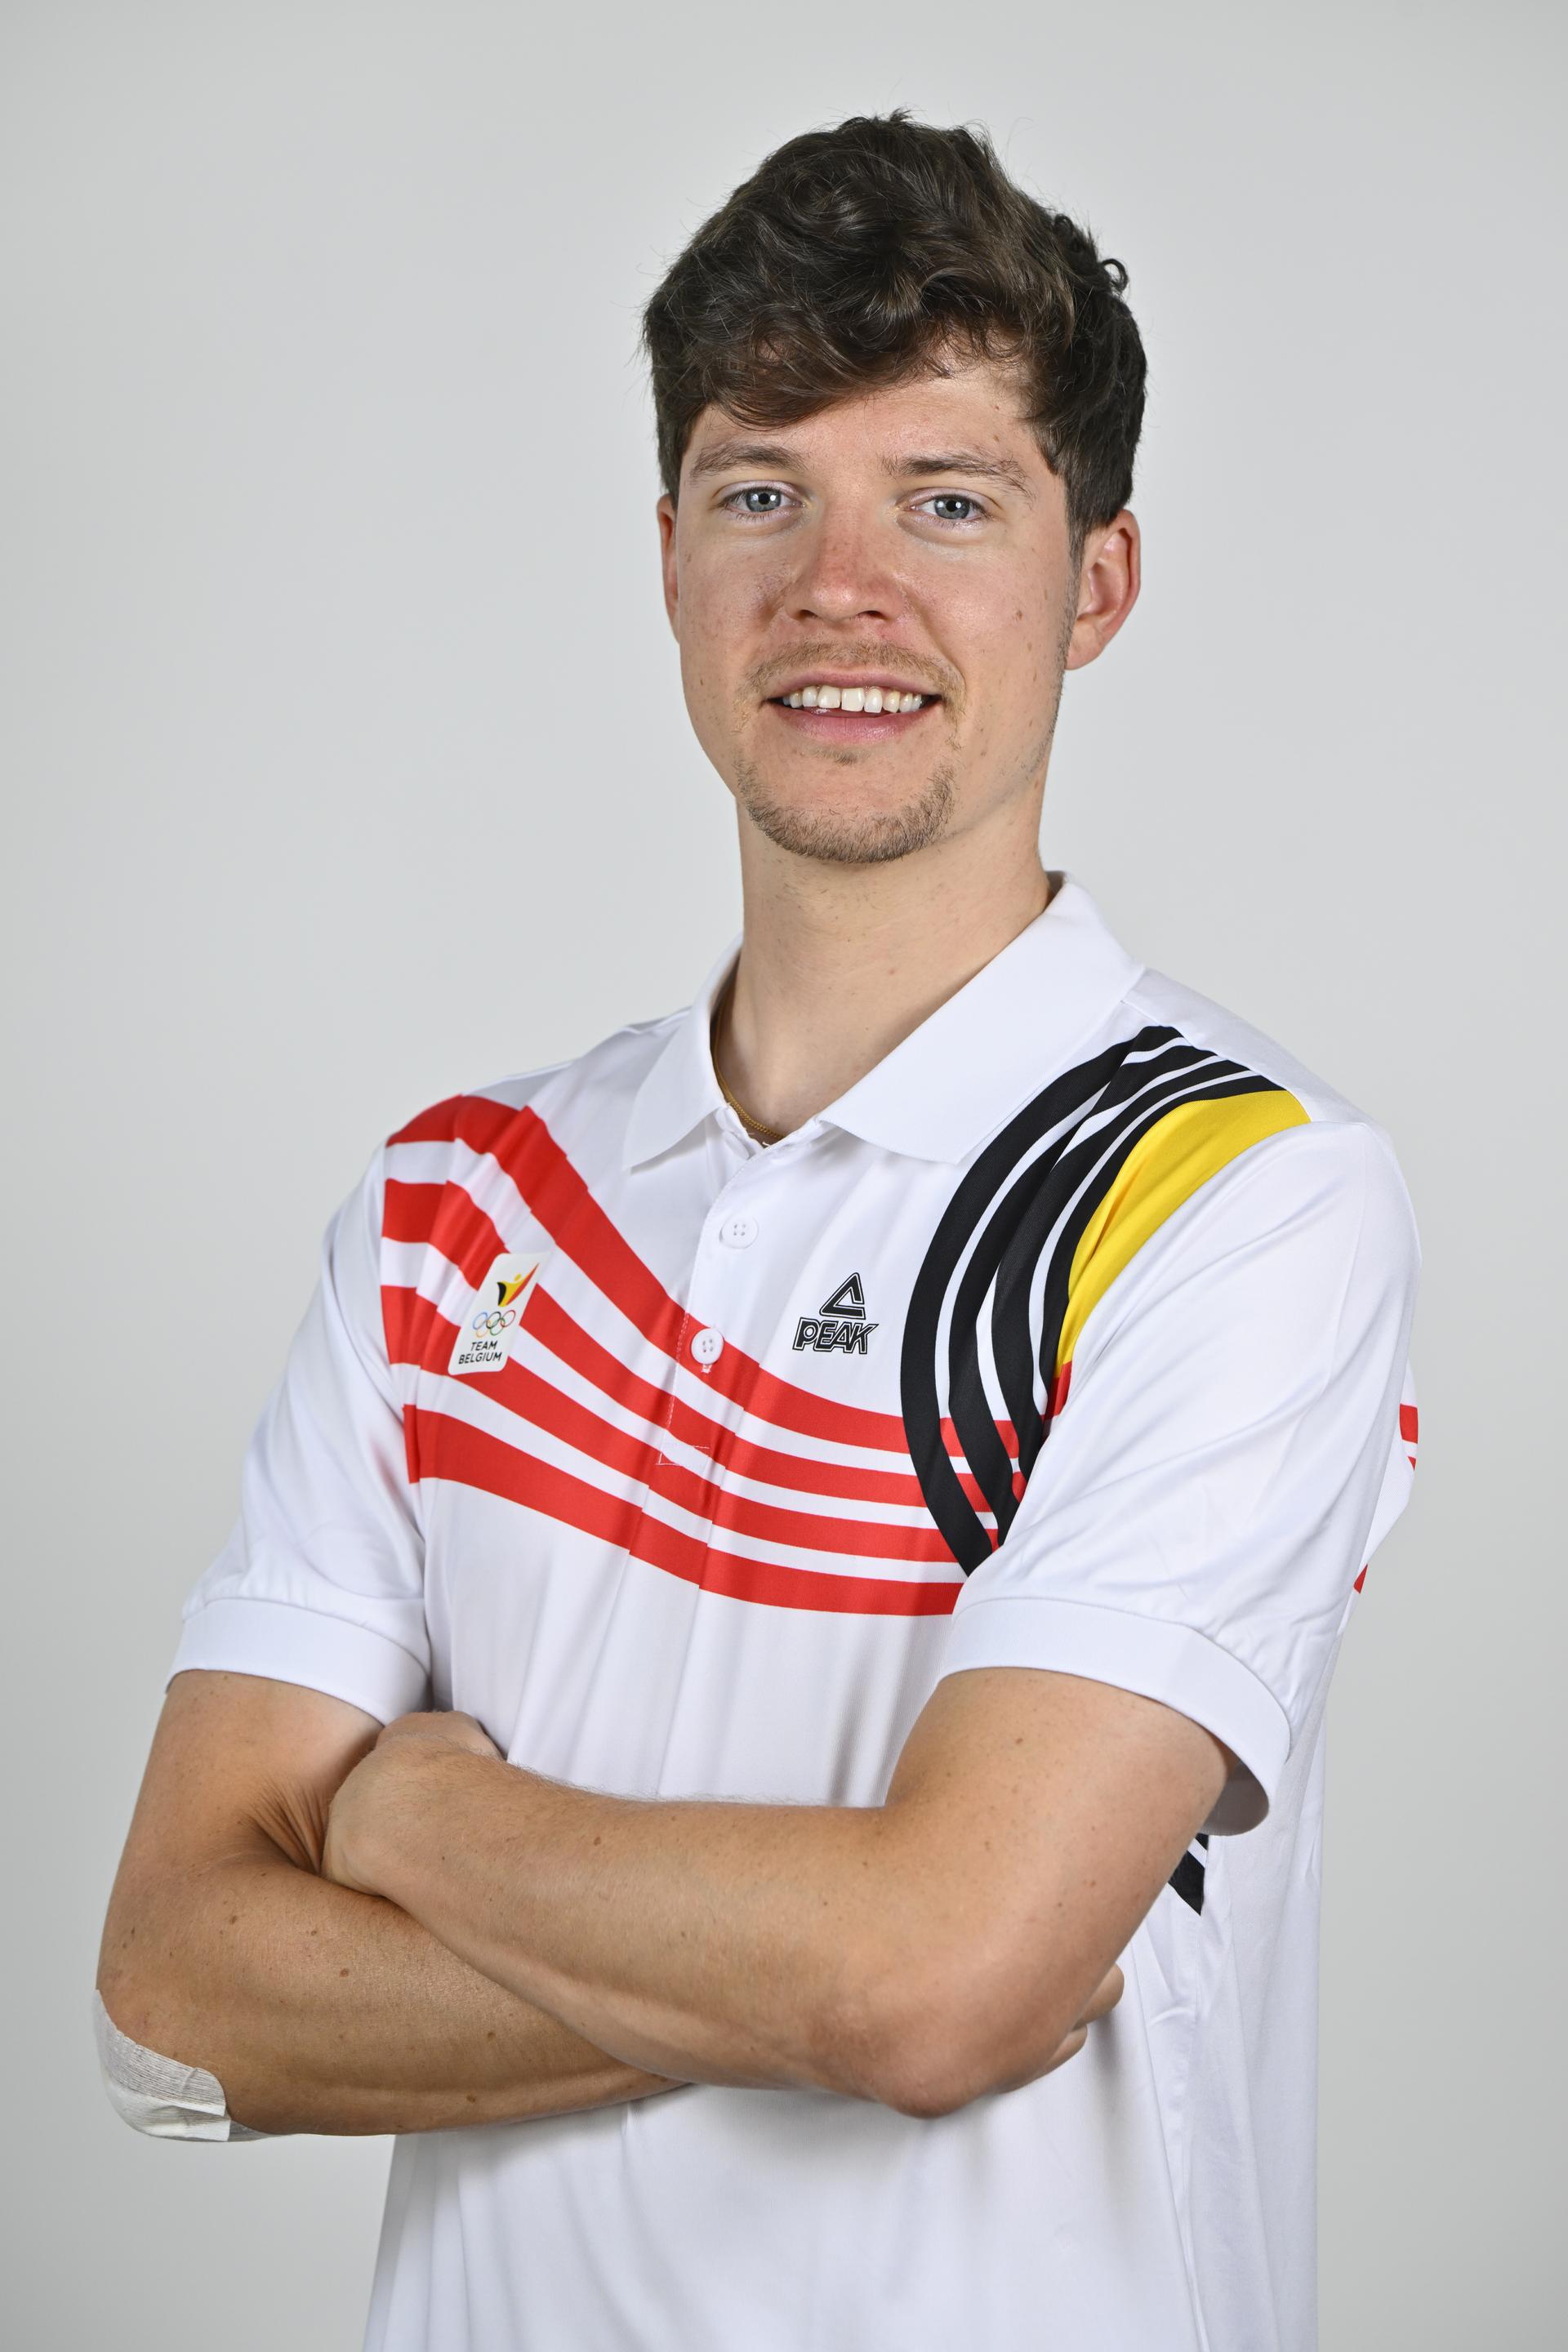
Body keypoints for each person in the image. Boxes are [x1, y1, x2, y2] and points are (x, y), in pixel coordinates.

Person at [94, 110, 1420, 2352]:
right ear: (672, 555)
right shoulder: (449, 1209)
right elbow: (177, 1990)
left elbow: (945, 1982)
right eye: (760, 490)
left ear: (1095, 581)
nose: (841, 587)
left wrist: (416, 1825)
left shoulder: (1238, 1198)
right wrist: (847, 1969)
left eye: (950, 500)